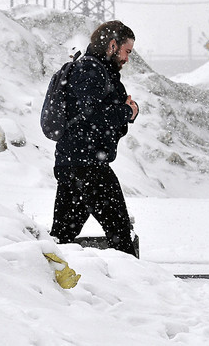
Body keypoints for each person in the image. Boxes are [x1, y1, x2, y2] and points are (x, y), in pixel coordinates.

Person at [50, 20, 139, 257]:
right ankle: (135, 287)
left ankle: (48, 285)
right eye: (126, 51)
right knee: (120, 236)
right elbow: (91, 115)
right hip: (87, 167)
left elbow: (95, 115)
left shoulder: (98, 70)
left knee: (61, 239)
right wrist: (126, 112)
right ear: (112, 45)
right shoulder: (89, 70)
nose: (127, 58)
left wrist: (124, 112)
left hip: (76, 164)